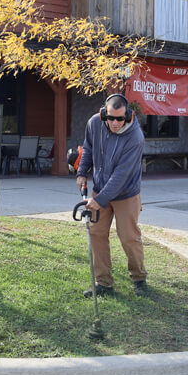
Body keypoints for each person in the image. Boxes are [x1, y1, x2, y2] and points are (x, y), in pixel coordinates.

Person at [76, 93, 148, 297]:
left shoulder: (135, 137)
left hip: (126, 193)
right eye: (110, 118)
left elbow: (121, 177)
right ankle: (103, 282)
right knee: (96, 233)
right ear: (103, 114)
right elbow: (88, 148)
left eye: (120, 119)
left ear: (128, 116)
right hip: (100, 189)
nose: (115, 123)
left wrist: (99, 200)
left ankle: (139, 278)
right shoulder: (94, 123)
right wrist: (82, 172)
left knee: (128, 237)